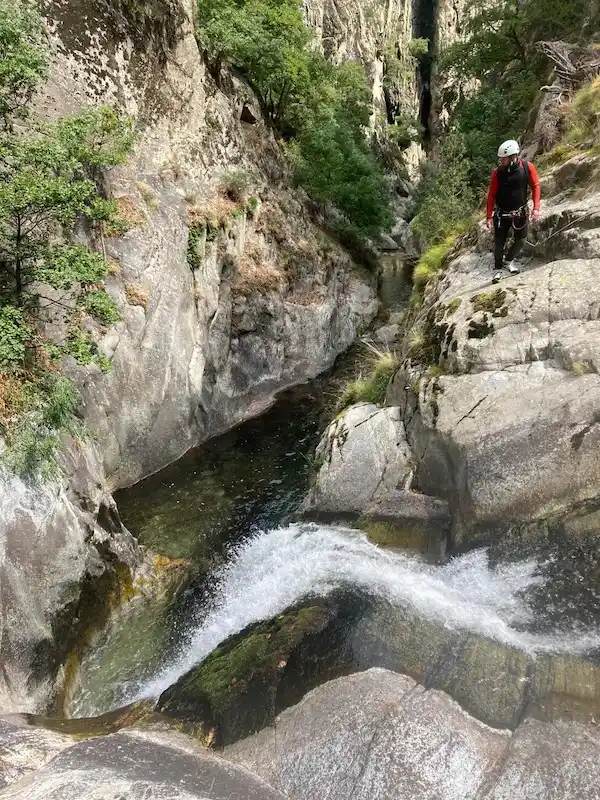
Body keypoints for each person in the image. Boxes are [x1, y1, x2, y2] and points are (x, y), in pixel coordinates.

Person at [486, 140, 541, 283]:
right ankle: (497, 270)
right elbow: (491, 195)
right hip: (502, 214)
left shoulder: (527, 168)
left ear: (512, 157)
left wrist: (536, 208)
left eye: (503, 159)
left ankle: (508, 261)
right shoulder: (497, 173)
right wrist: (489, 216)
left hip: (520, 212)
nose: (500, 161)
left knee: (521, 240)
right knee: (499, 243)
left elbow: (535, 186)